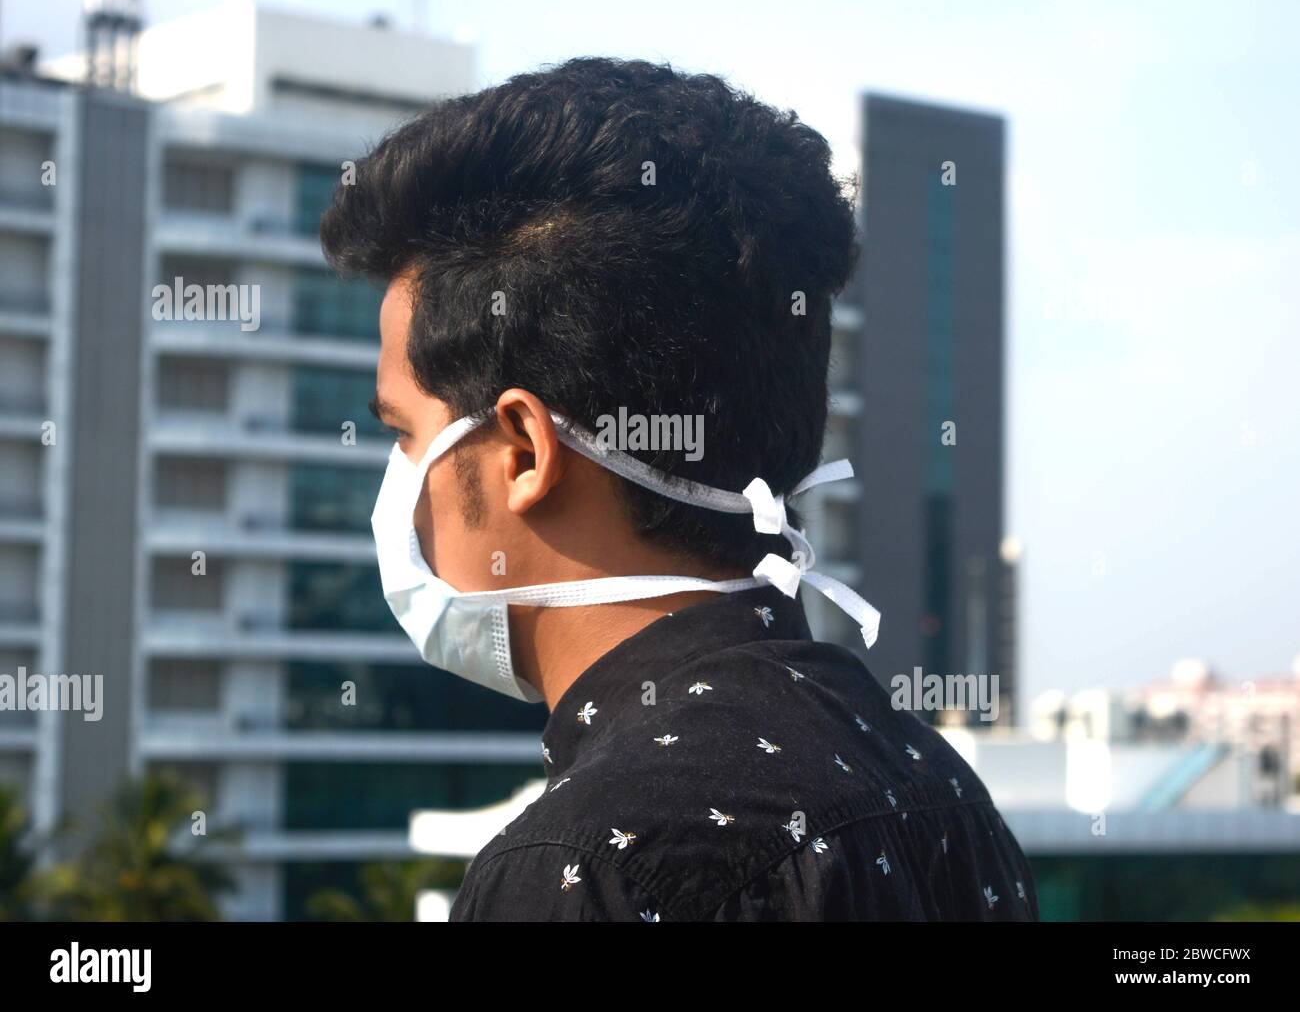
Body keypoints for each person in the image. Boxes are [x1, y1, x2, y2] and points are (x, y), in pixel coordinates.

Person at [319, 57, 1038, 922]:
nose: (398, 481)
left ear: (521, 452)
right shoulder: (941, 788)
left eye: (404, 433)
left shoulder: (582, 866)